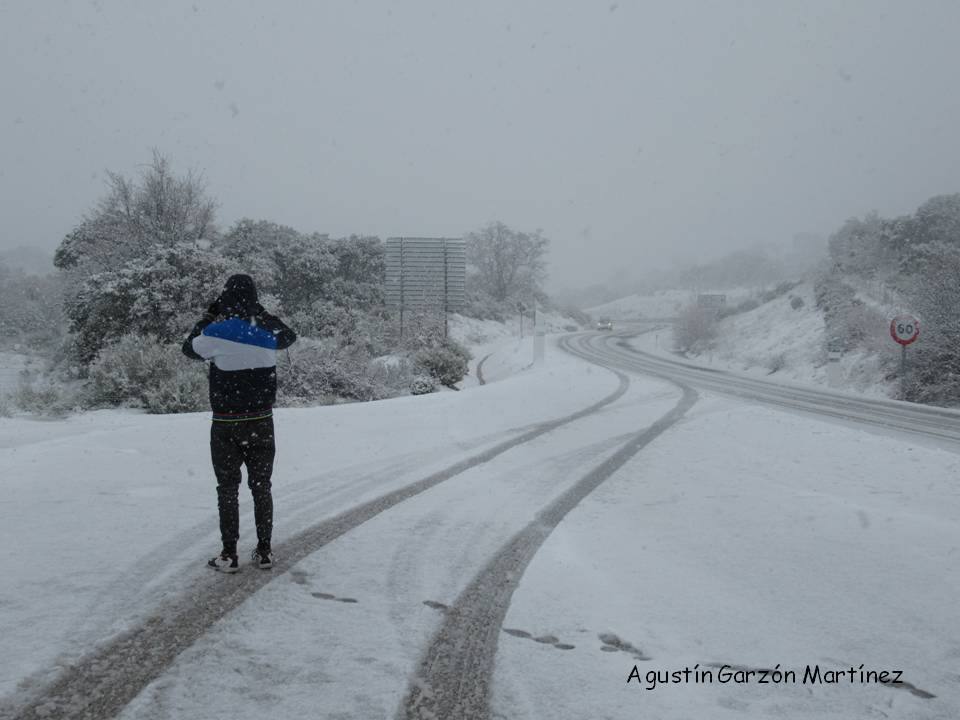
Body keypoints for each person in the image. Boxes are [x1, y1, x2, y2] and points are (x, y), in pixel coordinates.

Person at [182, 274, 297, 573]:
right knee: (262, 487)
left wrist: (210, 313)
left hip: (225, 423)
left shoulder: (216, 332)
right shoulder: (269, 333)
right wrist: (259, 312)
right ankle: (265, 551)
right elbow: (289, 335)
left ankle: (229, 554)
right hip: (262, 421)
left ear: (225, 298)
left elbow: (188, 347)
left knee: (227, 488)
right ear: (254, 299)